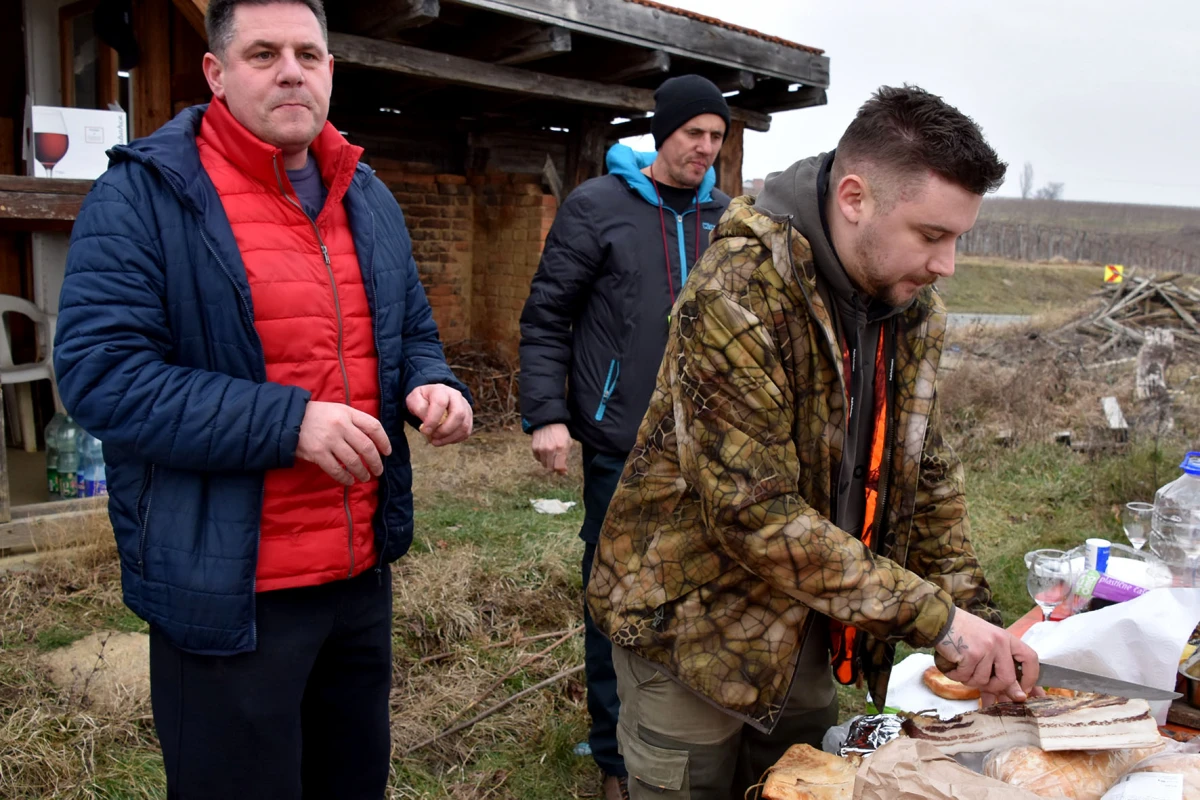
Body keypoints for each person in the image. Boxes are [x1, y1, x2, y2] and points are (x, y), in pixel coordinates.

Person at [52, 1, 473, 797]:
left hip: (356, 577)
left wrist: (432, 383)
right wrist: (289, 422)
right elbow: (101, 376)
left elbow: (411, 327)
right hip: (227, 591)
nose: (291, 71)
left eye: (309, 55)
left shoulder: (365, 193)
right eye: (264, 53)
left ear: (330, 72)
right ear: (215, 72)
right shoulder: (146, 196)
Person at [586, 85, 1043, 799]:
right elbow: (752, 512)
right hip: (691, 629)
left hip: (813, 619)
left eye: (959, 238)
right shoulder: (738, 293)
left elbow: (923, 480)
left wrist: (977, 619)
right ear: (855, 197)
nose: (947, 264)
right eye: (931, 236)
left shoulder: (909, 308)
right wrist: (936, 618)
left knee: (801, 783)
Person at [518, 75, 732, 799]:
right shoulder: (597, 208)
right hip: (622, 443)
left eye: (716, 136)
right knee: (617, 603)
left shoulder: (728, 220)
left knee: (702, 598)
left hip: (709, 452)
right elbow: (546, 316)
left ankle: (688, 741)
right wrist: (547, 413)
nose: (704, 147)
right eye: (692, 132)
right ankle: (616, 763)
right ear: (660, 132)